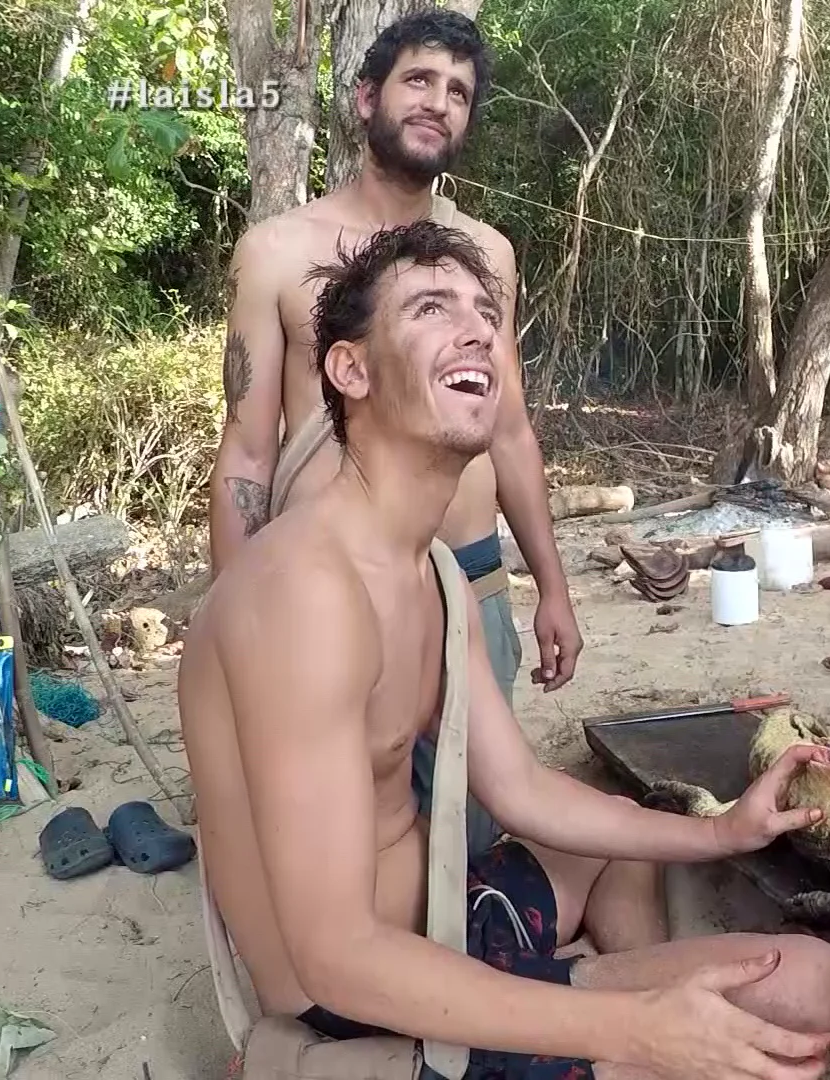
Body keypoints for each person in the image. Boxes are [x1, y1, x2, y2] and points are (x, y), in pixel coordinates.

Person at [179, 220, 830, 1079]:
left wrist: (724, 833)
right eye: (431, 308)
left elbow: (522, 788)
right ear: (349, 370)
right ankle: (619, 1033)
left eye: (484, 313)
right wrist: (632, 1030)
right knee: (798, 996)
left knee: (660, 864)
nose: (476, 331)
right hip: (363, 1016)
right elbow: (332, 953)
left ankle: (598, 1006)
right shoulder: (302, 594)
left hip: (455, 926)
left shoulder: (431, 573)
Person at [207, 8, 580, 860]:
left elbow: (511, 429)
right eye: (419, 80)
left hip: (473, 583)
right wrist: (237, 619)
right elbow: (248, 453)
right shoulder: (275, 252)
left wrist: (551, 587)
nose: (438, 103)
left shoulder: (486, 253)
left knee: (472, 841)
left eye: (458, 93)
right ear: (366, 96)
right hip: (338, 593)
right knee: (347, 847)